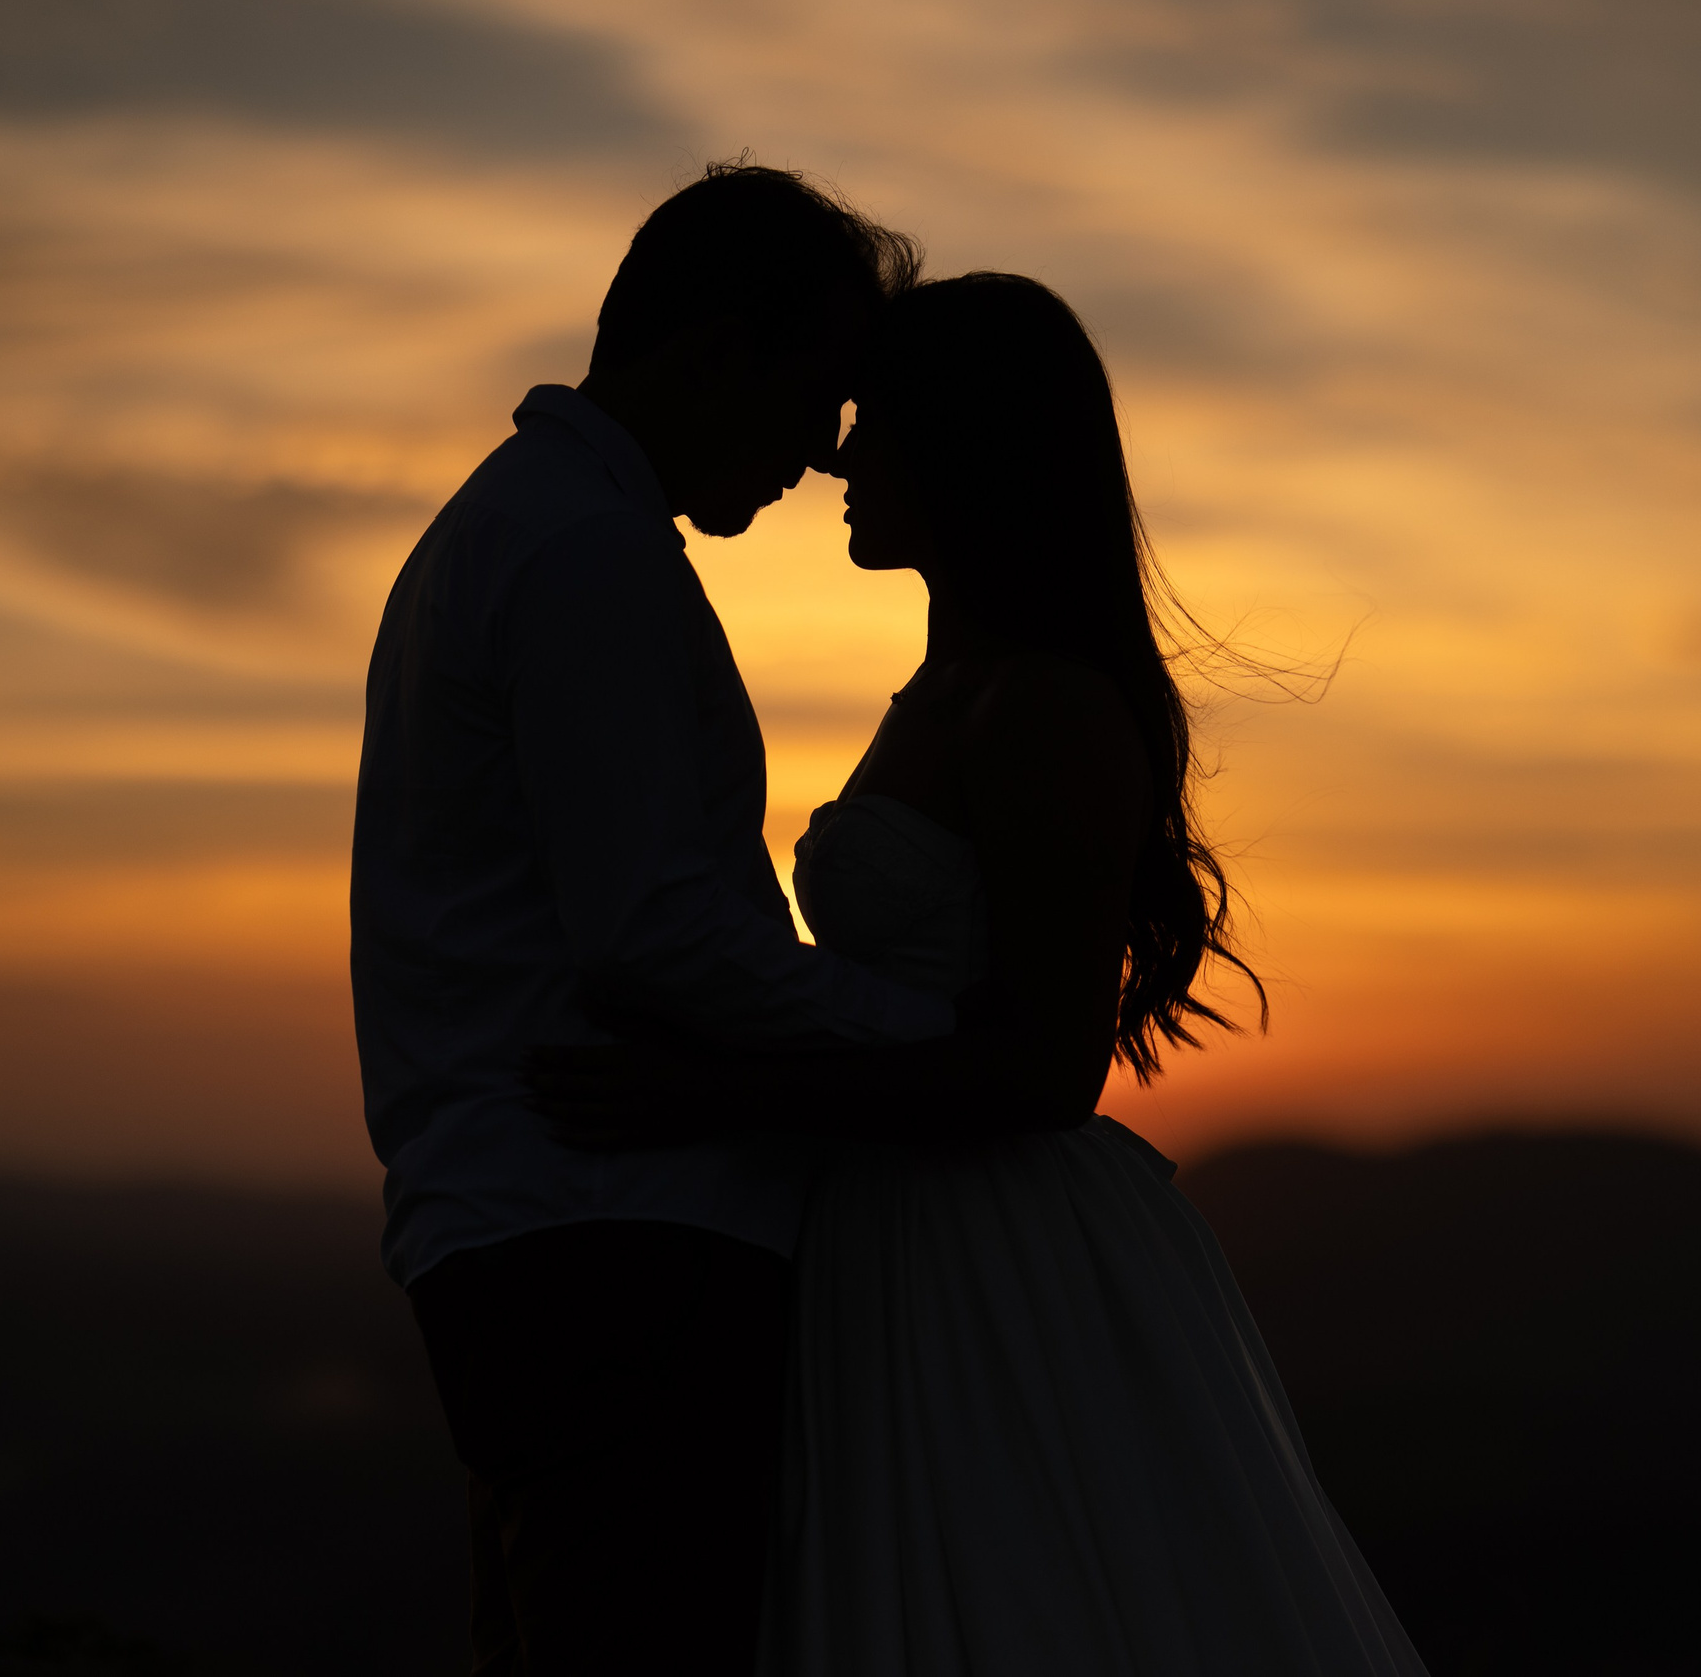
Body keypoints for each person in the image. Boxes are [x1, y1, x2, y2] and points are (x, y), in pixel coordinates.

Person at [532, 273, 1430, 1675]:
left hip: (991, 1258)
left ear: (966, 448)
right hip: (878, 1243)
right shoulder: (950, 689)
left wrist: (713, 1091)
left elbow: (1043, 1065)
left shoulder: (1047, 709)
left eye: (874, 421)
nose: (837, 455)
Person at [350, 163, 945, 1677]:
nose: (825, 453)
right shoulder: (586, 556)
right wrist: (930, 1033)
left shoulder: (511, 531)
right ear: (709, 355)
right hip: (609, 1245)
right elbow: (658, 930)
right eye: (817, 394)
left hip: (542, 1236)